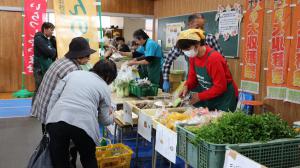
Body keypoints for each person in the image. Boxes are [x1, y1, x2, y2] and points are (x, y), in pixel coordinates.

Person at [46, 60, 117, 168]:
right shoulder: (104, 87)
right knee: (88, 158)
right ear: (108, 77)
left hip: (57, 120)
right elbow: (105, 120)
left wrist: (49, 119)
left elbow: (54, 96)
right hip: (83, 125)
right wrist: (115, 115)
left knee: (59, 162)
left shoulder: (74, 74)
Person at [177, 29, 238, 112]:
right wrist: (187, 86)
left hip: (225, 98)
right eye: (183, 50)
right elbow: (192, 78)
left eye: (187, 49)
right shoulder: (193, 57)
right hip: (210, 95)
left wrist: (199, 96)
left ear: (197, 44)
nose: (186, 52)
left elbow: (220, 86)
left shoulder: (214, 59)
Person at [162, 14, 223, 92]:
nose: (200, 30)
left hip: (211, 82)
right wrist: (165, 80)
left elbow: (222, 61)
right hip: (192, 81)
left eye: (202, 27)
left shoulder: (210, 38)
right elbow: (168, 61)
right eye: (197, 27)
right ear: (189, 25)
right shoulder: (184, 41)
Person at [33, 22, 57, 90]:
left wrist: (53, 46)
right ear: (45, 29)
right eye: (51, 30)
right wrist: (53, 50)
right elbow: (50, 52)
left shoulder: (47, 40)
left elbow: (53, 55)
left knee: (47, 89)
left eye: (53, 30)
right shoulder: (39, 39)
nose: (52, 32)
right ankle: (36, 101)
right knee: (39, 89)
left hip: (47, 67)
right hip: (39, 69)